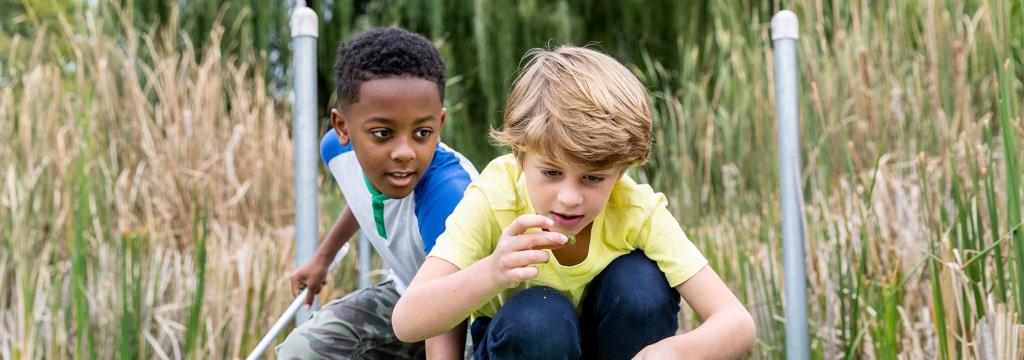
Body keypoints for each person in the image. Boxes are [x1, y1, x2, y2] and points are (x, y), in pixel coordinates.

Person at [392, 46, 756, 359]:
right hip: (526, 341)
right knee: (540, 317)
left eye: (593, 178)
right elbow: (407, 320)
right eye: (550, 173)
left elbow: (736, 323)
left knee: (640, 285)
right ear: (520, 156)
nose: (569, 198)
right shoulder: (495, 197)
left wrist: (674, 351)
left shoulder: (635, 208)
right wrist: (492, 271)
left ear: (622, 170)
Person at [276, 27, 478, 359]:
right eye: (383, 133)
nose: (404, 152)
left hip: (468, 314)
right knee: (302, 351)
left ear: (440, 125)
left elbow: (446, 310)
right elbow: (362, 196)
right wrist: (323, 259)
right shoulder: (337, 152)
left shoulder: (448, 197)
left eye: (422, 133)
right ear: (343, 128)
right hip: (405, 294)